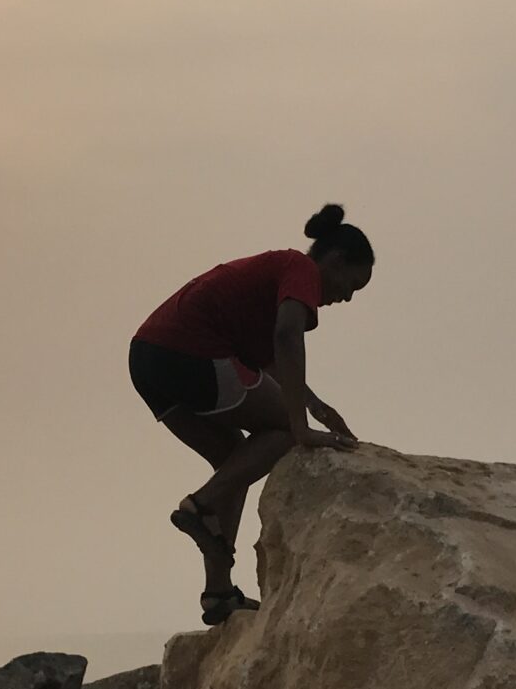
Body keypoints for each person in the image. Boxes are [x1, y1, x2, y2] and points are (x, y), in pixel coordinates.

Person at [128, 203, 375, 623]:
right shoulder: (299, 268)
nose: (347, 297)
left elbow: (270, 366)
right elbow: (286, 336)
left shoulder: (270, 281)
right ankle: (200, 506)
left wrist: (316, 407)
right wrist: (300, 426)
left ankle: (219, 594)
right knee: (280, 433)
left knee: (235, 460)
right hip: (190, 352)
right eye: (352, 283)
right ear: (333, 260)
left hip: (148, 358)